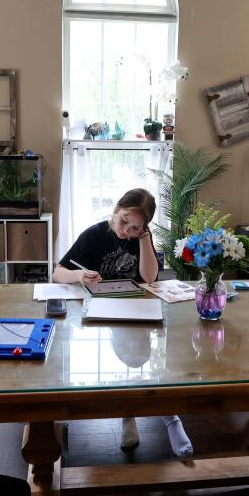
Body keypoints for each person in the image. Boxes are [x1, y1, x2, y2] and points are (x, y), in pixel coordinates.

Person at [54, 188, 192, 459]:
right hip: (101, 312)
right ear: (116, 209)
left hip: (138, 309)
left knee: (145, 363)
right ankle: (127, 414)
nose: (127, 230)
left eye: (135, 227)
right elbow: (57, 272)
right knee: (116, 365)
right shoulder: (94, 234)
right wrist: (79, 275)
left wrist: (143, 240)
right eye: (124, 221)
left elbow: (150, 277)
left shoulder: (140, 238)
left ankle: (170, 416)